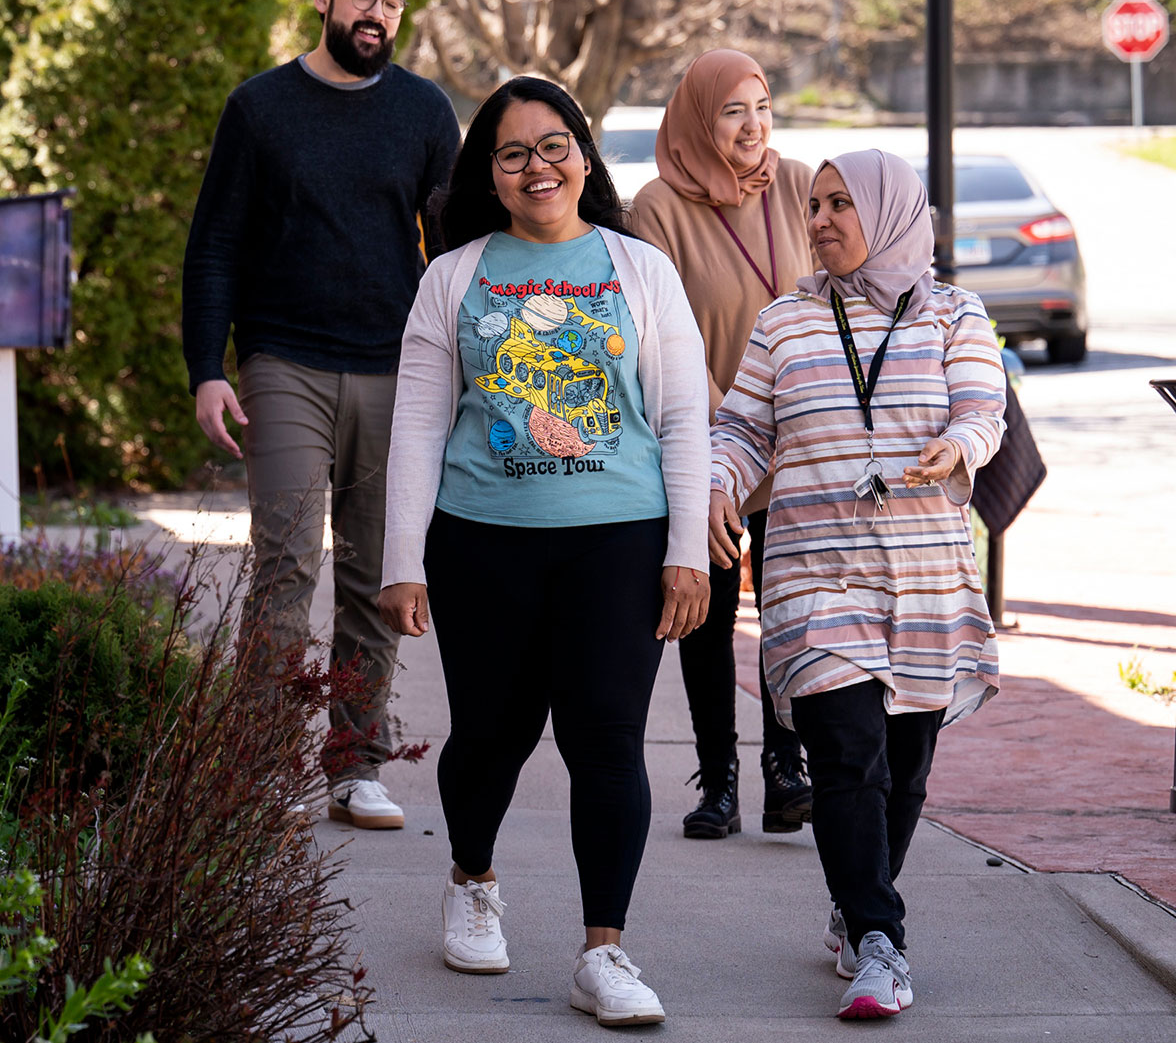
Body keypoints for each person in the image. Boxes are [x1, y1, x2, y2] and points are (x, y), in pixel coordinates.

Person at [377, 76, 709, 1028]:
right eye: (514, 152)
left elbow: (683, 416)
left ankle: (603, 952)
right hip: (484, 543)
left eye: (554, 145)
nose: (537, 167)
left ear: (585, 156)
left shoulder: (640, 269)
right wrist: (403, 559)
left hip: (620, 539)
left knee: (606, 739)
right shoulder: (453, 276)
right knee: (491, 734)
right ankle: (473, 879)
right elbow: (418, 426)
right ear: (489, 173)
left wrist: (687, 548)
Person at [707, 149, 1006, 1020]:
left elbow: (982, 409)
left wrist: (959, 445)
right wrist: (719, 482)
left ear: (889, 210)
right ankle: (881, 940)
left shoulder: (954, 312)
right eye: (814, 204)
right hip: (815, 575)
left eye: (841, 203)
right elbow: (743, 429)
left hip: (923, 579)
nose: (820, 220)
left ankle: (854, 899)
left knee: (904, 775)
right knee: (846, 755)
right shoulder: (786, 320)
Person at [181, 0, 460, 831]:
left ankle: (356, 765)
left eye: (392, 3)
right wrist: (207, 369)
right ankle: (258, 764)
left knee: (379, 573)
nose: (377, 15)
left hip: (395, 368)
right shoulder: (259, 109)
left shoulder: (424, 112)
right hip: (284, 362)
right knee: (287, 563)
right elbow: (214, 246)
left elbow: (454, 251)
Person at [627, 50, 817, 839]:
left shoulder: (799, 185)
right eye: (734, 110)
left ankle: (785, 764)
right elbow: (662, 335)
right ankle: (720, 779)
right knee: (707, 608)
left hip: (800, 438)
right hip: (703, 440)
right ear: (701, 118)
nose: (752, 125)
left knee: (789, 607)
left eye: (762, 106)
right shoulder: (658, 207)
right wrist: (733, 423)